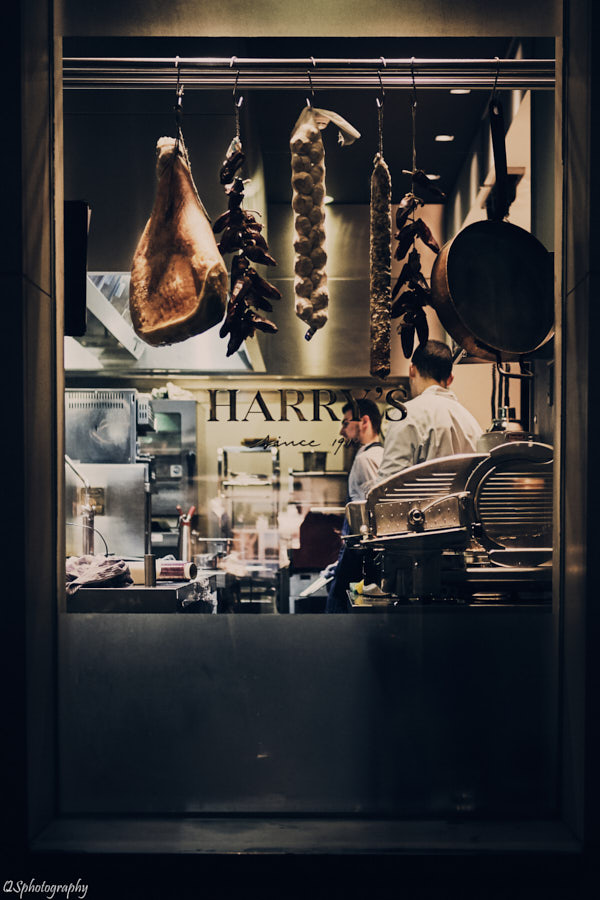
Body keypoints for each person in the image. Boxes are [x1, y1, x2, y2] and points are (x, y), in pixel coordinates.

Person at [375, 339, 482, 483]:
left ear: (411, 370)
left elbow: (388, 485)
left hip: (421, 506)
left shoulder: (406, 415)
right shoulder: (471, 422)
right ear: (450, 379)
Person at [325, 398, 384, 613]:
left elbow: (370, 515)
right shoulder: (377, 455)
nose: (342, 431)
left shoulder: (366, 460)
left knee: (337, 611)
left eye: (346, 422)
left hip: (359, 556)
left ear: (364, 421)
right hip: (360, 556)